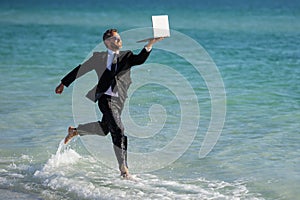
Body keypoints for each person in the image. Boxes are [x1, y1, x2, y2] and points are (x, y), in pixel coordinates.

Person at [55, 29, 163, 177]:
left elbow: (140, 59)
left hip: (119, 100)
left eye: (119, 38)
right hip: (105, 99)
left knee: (105, 129)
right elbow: (81, 69)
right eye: (115, 38)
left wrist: (151, 43)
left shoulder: (127, 56)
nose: (119, 40)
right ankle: (123, 168)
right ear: (107, 42)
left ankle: (76, 131)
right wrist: (63, 83)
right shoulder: (98, 57)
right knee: (119, 130)